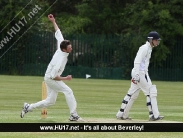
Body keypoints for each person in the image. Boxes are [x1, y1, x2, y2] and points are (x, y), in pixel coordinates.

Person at [20, 14, 84, 122]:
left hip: (48, 77)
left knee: (50, 101)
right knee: (68, 91)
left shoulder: (61, 45)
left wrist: (53, 21)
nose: (71, 48)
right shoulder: (59, 59)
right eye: (70, 47)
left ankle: (28, 107)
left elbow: (58, 33)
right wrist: (65, 78)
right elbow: (54, 77)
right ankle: (73, 115)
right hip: (51, 78)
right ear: (64, 49)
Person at [116, 31, 164, 121]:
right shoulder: (144, 48)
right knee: (150, 92)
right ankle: (153, 115)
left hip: (142, 72)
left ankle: (122, 114)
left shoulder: (149, 48)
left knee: (132, 93)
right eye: (156, 40)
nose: (157, 42)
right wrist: (137, 74)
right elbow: (137, 61)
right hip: (140, 73)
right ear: (151, 40)